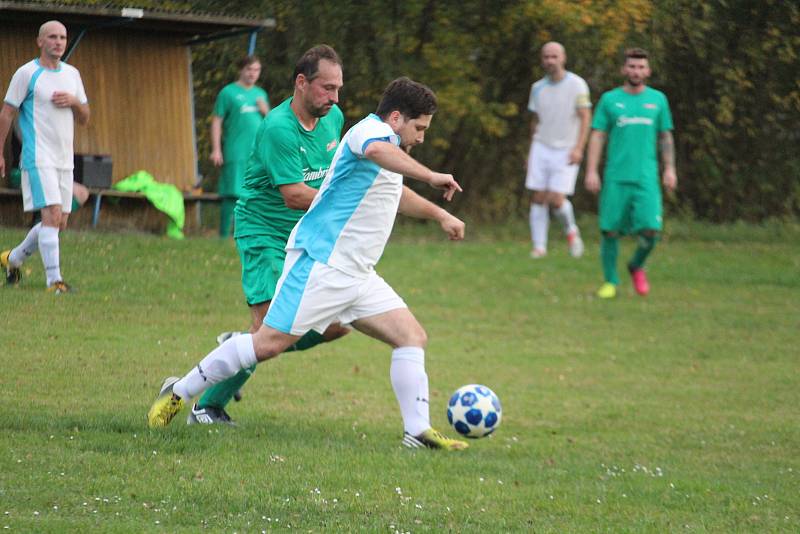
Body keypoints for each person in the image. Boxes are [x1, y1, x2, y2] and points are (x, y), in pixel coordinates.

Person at [149, 77, 470, 451]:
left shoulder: (389, 150)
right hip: (322, 265)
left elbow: (397, 194)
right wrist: (431, 175)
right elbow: (381, 152)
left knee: (411, 336)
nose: (421, 138)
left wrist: (440, 216)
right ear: (396, 118)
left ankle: (417, 433)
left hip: (358, 275)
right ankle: (178, 393)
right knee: (266, 344)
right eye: (420, 128)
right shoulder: (368, 133)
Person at [190, 45, 351, 426]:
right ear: (301, 82)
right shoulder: (279, 127)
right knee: (266, 329)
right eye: (327, 88)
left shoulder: (334, 118)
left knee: (338, 325)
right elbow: (294, 195)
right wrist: (350, 203)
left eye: (338, 89)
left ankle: (236, 348)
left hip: (306, 237)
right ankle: (206, 406)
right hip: (263, 232)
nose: (335, 97)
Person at [0, 20, 90, 293]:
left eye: (62, 37)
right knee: (50, 215)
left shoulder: (72, 74)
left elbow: (85, 117)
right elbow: (6, 113)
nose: (58, 42)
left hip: (65, 159)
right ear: (40, 41)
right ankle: (55, 282)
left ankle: (12, 258)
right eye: (52, 37)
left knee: (58, 222)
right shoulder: (26, 74)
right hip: (38, 156)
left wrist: (74, 102)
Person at [585, 48, 677, 298]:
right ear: (623, 70)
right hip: (616, 177)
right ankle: (611, 282)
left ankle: (636, 264)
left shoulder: (658, 100)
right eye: (632, 66)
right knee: (610, 230)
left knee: (650, 230)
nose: (636, 71)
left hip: (646, 178)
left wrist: (669, 169)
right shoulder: (610, 100)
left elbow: (665, 136)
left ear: (647, 71)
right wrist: (592, 170)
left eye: (640, 67)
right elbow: (598, 135)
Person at [525, 42, 591, 259]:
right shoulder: (537, 88)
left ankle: (571, 232)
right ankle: (539, 247)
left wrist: (579, 148)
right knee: (538, 196)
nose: (550, 61)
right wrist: (530, 151)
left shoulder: (577, 84)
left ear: (563, 58)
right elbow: (535, 120)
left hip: (567, 148)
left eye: (554, 56)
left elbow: (585, 117)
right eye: (546, 57)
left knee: (556, 199)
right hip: (541, 145)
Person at [209, 55, 269, 238]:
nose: (253, 74)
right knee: (232, 193)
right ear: (241, 70)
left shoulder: (261, 94)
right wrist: (216, 149)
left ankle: (246, 234)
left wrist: (265, 110)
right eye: (249, 69)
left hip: (257, 153)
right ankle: (223, 235)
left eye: (257, 70)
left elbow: (272, 123)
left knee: (254, 194)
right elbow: (216, 121)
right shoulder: (228, 92)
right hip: (235, 150)